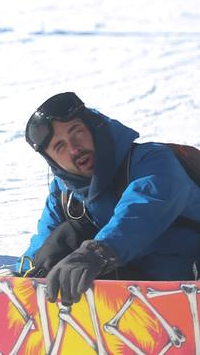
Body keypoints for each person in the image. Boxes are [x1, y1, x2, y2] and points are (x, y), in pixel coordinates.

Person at [19, 91, 200, 304]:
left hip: (185, 283)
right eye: (60, 146)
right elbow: (45, 240)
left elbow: (142, 213)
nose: (74, 148)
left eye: (77, 132)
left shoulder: (152, 161)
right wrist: (23, 276)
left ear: (93, 127)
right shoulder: (64, 193)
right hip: (135, 293)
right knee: (68, 234)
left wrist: (97, 253)